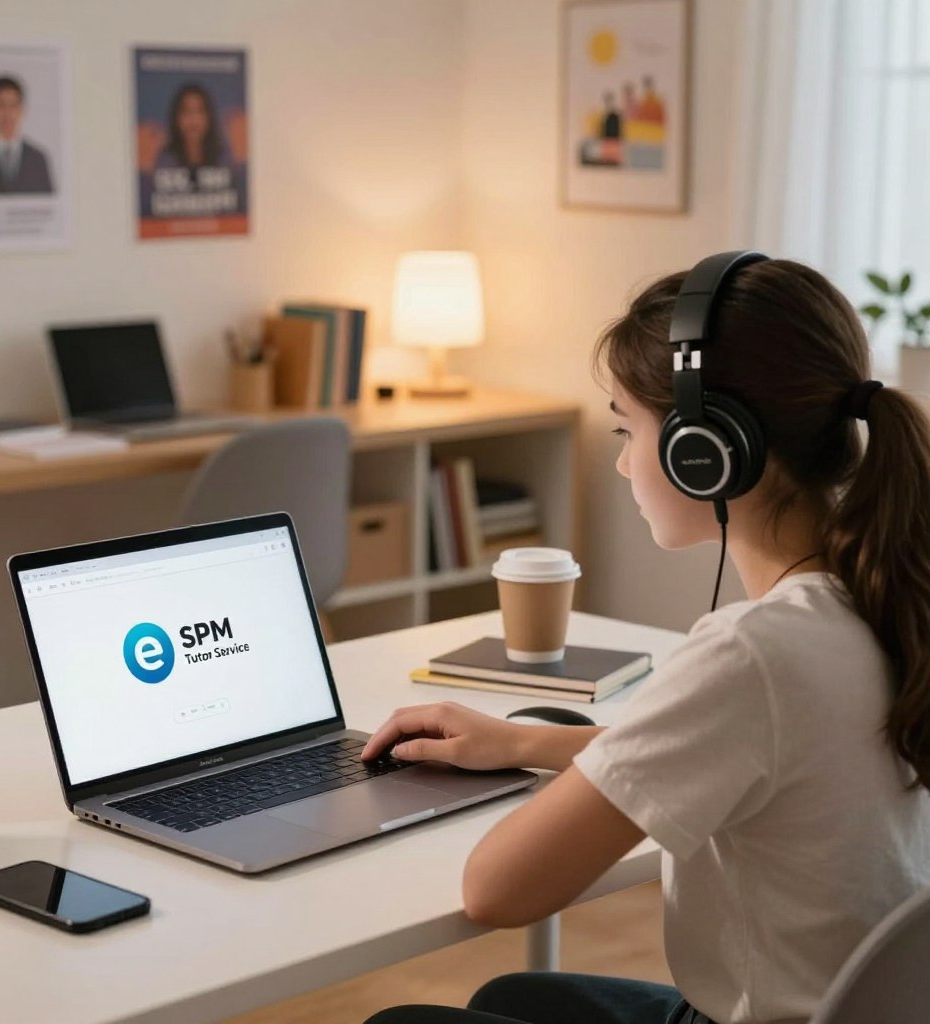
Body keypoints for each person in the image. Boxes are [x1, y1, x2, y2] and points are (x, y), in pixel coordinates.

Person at [360, 253, 930, 1024]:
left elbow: (494, 892)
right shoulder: (882, 596)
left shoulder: (753, 653)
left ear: (708, 450)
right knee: (515, 997)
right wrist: (523, 744)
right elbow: (756, 749)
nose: (626, 463)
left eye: (630, 430)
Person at [153, 82, 229, 181]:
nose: (193, 120)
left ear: (209, 117)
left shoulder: (223, 160)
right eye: (186, 111)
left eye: (200, 111)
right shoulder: (165, 161)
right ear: (176, 118)